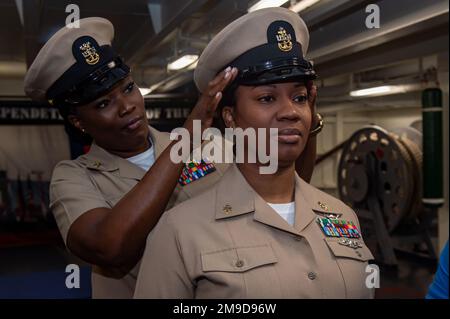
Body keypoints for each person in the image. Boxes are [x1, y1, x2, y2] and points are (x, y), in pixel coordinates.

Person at [24, 17, 320, 298]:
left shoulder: (211, 145)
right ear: (79, 122)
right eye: (104, 103)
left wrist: (308, 121)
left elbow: (288, 191)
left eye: (128, 88)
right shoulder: (74, 177)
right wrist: (187, 138)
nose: (127, 106)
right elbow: (109, 247)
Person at [134, 7, 374, 299]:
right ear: (231, 117)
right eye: (267, 98)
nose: (290, 112)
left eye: (299, 98)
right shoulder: (181, 232)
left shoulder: (342, 215)